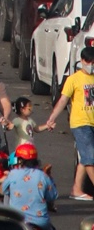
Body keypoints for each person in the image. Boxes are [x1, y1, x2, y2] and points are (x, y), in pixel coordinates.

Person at [39, 37, 94, 199]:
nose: (91, 65)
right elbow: (63, 100)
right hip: (80, 123)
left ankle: (76, 189)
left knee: (85, 157)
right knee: (90, 158)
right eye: (88, 62)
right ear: (82, 61)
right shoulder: (74, 79)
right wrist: (52, 118)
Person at [0, 142, 58, 230]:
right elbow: (53, 195)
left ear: (20, 160)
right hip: (40, 222)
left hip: (17, 220)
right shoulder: (42, 175)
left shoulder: (13, 174)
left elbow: (3, 191)